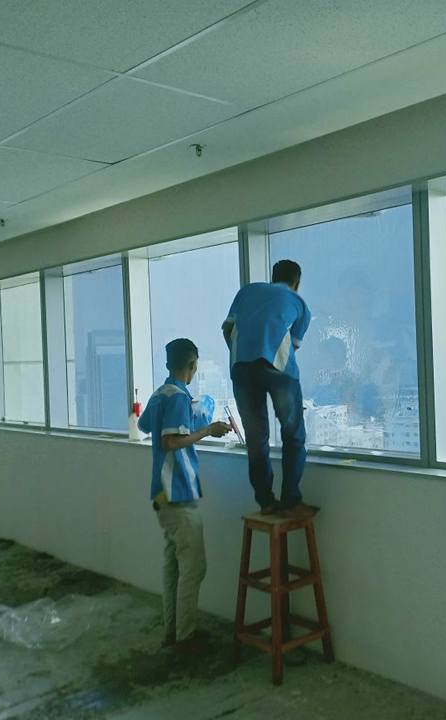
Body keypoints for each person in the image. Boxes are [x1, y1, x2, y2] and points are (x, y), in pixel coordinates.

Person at [138, 338, 230, 652]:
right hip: (177, 493)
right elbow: (171, 442)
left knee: (173, 565)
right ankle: (186, 637)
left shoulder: (160, 394)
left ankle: (172, 630)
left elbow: (145, 423)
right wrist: (208, 430)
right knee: (194, 567)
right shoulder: (178, 396)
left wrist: (191, 417)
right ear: (192, 365)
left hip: (161, 496)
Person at [222, 259, 317, 518]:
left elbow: (227, 328)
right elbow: (292, 346)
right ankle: (291, 501)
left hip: (241, 368)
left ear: (272, 277)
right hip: (276, 369)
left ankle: (265, 500)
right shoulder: (298, 303)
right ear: (297, 282)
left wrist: (242, 354)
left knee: (256, 438)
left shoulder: (247, 291)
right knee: (293, 435)